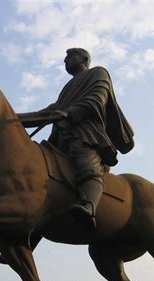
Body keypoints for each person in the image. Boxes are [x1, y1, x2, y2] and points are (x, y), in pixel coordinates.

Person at [32, 48, 135, 230]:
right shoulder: (67, 87)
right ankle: (30, 231)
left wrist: (70, 113)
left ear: (84, 59)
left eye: (70, 57)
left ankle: (89, 206)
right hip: (60, 139)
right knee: (41, 178)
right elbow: (50, 110)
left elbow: (97, 98)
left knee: (84, 161)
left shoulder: (98, 73)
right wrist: (12, 118)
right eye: (65, 57)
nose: (65, 60)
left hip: (86, 133)